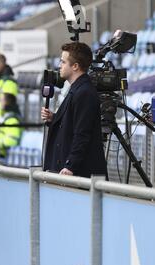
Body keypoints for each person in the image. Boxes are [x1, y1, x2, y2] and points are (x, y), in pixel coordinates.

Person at [41, 42, 107, 178]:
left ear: (75, 66)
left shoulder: (84, 92)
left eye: (63, 62)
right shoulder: (77, 89)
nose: (59, 66)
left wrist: (70, 166)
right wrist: (54, 118)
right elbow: (73, 123)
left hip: (78, 174)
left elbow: (82, 134)